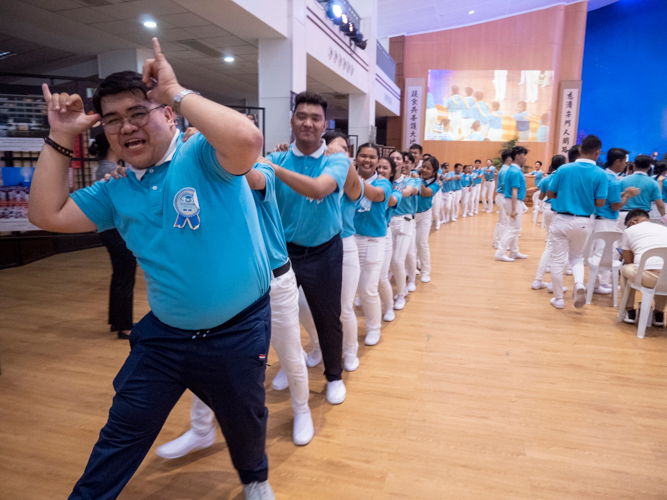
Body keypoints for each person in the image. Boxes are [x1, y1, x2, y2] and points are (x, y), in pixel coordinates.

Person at [29, 39, 275, 499]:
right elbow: (46, 214)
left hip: (237, 331)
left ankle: (256, 481)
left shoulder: (203, 156)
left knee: (245, 418)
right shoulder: (114, 190)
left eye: (138, 112)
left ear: (168, 116)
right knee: (122, 433)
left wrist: (174, 89)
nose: (126, 127)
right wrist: (62, 135)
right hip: (164, 337)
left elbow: (247, 141)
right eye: (113, 120)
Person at [157, 153, 315, 462]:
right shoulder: (202, 175)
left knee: (289, 352)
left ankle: (302, 410)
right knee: (209, 361)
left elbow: (253, 178)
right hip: (229, 286)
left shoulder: (261, 168)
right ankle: (202, 429)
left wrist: (208, 156)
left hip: (275, 280)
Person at [266, 91, 350, 405]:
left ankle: (334, 376)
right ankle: (293, 362)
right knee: (279, 317)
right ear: (292, 121)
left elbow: (318, 188)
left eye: (315, 118)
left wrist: (273, 169)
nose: (308, 123)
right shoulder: (277, 158)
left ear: (324, 124)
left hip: (324, 251)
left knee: (328, 318)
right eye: (302, 116)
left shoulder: (337, 160)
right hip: (283, 252)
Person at [300, 131, 363, 373]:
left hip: (344, 246)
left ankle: (349, 351)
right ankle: (318, 345)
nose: (339, 151)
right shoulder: (315, 172)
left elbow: (356, 191)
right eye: (334, 148)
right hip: (310, 249)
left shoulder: (348, 176)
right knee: (304, 307)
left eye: (345, 149)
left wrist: (344, 162)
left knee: (343, 308)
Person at [546, 135, 609, 310]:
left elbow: (550, 194)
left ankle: (558, 299)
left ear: (580, 150)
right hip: (583, 221)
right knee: (577, 257)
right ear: (597, 153)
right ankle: (579, 283)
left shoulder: (564, 169)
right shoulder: (601, 174)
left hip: (560, 218)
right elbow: (600, 203)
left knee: (558, 261)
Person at [89, 132, 136, 340]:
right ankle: (124, 327)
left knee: (120, 276)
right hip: (116, 232)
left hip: (111, 231)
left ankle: (117, 321)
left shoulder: (104, 169)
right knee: (125, 277)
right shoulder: (111, 172)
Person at [353, 144, 393, 346]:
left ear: (377, 162)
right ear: (356, 157)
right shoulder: (347, 179)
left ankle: (373, 329)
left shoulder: (384, 183)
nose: (367, 160)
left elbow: (376, 195)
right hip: (349, 240)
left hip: (372, 241)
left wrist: (354, 180)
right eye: (363, 156)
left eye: (371, 157)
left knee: (368, 289)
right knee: (348, 293)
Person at [588, 148, 640, 294]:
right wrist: (628, 196)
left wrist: (623, 193)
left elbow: (606, 197)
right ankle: (600, 284)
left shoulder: (601, 175)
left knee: (598, 252)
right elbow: (615, 205)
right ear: (617, 161)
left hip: (596, 219)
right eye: (624, 161)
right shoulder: (613, 181)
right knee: (606, 253)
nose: (625, 164)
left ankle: (598, 282)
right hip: (606, 221)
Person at [621, 208, 667, 326]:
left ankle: (629, 310)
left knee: (626, 269)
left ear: (632, 223)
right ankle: (659, 314)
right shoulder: (664, 229)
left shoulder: (630, 231)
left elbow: (628, 261)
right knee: (663, 276)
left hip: (648, 277)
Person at [377, 156, 406, 322]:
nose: (381, 170)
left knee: (382, 276)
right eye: (379, 167)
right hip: (359, 236)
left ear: (391, 172)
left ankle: (389, 307)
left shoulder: (394, 190)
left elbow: (390, 199)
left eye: (385, 168)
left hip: (383, 234)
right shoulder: (367, 183)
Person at [389, 150, 419, 309]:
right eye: (392, 158)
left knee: (400, 258)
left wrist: (399, 192)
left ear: (404, 163)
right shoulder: (384, 181)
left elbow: (410, 191)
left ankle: (402, 294)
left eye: (398, 158)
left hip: (406, 221)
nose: (395, 160)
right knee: (389, 261)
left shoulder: (411, 180)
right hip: (388, 223)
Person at [531, 155, 566, 289]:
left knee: (550, 242)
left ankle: (540, 278)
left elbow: (541, 196)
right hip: (558, 211)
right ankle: (554, 283)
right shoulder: (563, 178)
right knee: (559, 247)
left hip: (547, 210)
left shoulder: (546, 178)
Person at [495, 147, 529, 262]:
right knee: (514, 228)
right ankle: (500, 252)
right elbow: (514, 190)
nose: (525, 158)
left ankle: (514, 251)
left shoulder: (514, 169)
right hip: (513, 201)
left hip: (511, 201)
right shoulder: (514, 171)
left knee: (513, 227)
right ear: (518, 156)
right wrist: (514, 208)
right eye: (524, 155)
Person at [618, 154, 667, 231]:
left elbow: (616, 198)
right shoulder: (653, 183)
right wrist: (663, 216)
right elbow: (660, 204)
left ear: (634, 165)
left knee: (620, 240)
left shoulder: (622, 180)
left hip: (623, 215)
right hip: (643, 217)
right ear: (649, 166)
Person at [415, 156, 441, 283]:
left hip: (425, 216)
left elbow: (425, 192)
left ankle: (426, 271)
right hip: (411, 215)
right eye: (423, 167)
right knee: (411, 245)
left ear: (434, 172)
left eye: (428, 168)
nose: (424, 170)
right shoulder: (415, 175)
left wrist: (416, 180)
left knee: (422, 243)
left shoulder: (436, 184)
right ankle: (414, 265)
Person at [492, 150, 513, 248]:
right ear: (508, 159)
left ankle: (496, 241)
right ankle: (500, 243)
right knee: (504, 221)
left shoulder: (504, 169)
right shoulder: (505, 170)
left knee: (501, 221)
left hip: (501, 196)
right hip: (503, 196)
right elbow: (505, 186)